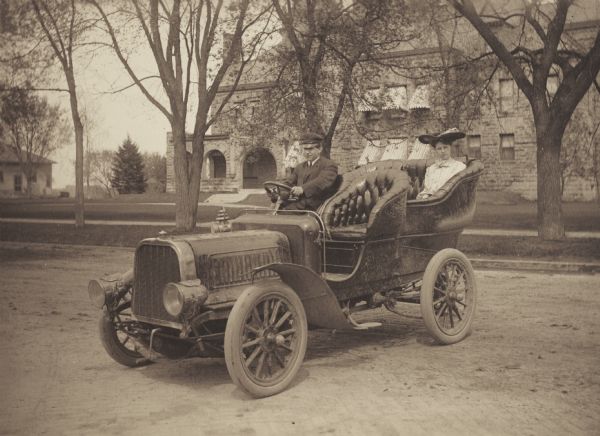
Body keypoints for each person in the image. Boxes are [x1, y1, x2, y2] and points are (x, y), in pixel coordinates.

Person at [279, 132, 339, 211]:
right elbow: (289, 182)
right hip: (298, 204)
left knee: (281, 213)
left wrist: (302, 189)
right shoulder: (300, 167)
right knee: (275, 209)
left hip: (315, 206)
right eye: (305, 149)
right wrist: (277, 189)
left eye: (310, 149)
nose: (307, 152)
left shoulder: (329, 165)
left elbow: (321, 182)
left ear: (319, 149)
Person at [416, 128, 466, 199]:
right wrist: (425, 196)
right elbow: (427, 190)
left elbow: (457, 191)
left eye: (445, 147)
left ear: (450, 148)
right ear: (435, 150)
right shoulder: (430, 169)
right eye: (439, 149)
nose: (442, 151)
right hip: (430, 202)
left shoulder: (459, 167)